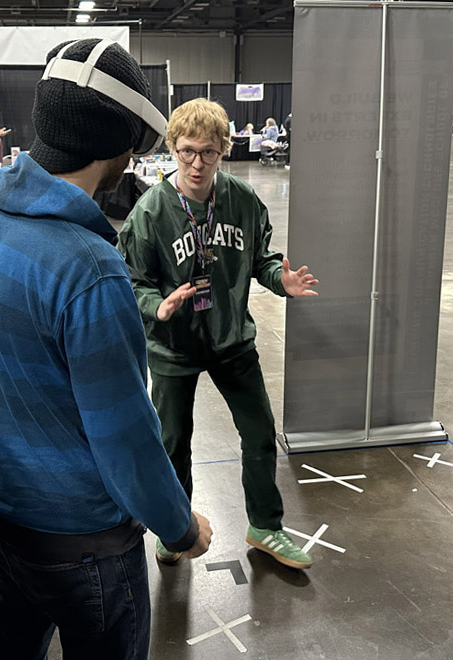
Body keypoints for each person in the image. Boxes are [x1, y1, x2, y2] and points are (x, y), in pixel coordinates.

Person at [0, 39, 213, 660]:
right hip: (87, 547)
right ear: (117, 149)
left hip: (5, 519)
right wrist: (180, 526)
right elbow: (125, 437)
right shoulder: (93, 270)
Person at [118, 98, 319, 571]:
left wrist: (280, 280)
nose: (196, 163)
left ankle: (265, 527)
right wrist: (157, 305)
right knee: (173, 444)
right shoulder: (150, 212)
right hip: (173, 348)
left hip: (232, 340)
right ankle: (174, 529)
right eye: (186, 151)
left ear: (224, 150)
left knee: (259, 433)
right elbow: (131, 281)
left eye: (208, 152)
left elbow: (261, 259)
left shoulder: (242, 201)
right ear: (172, 149)